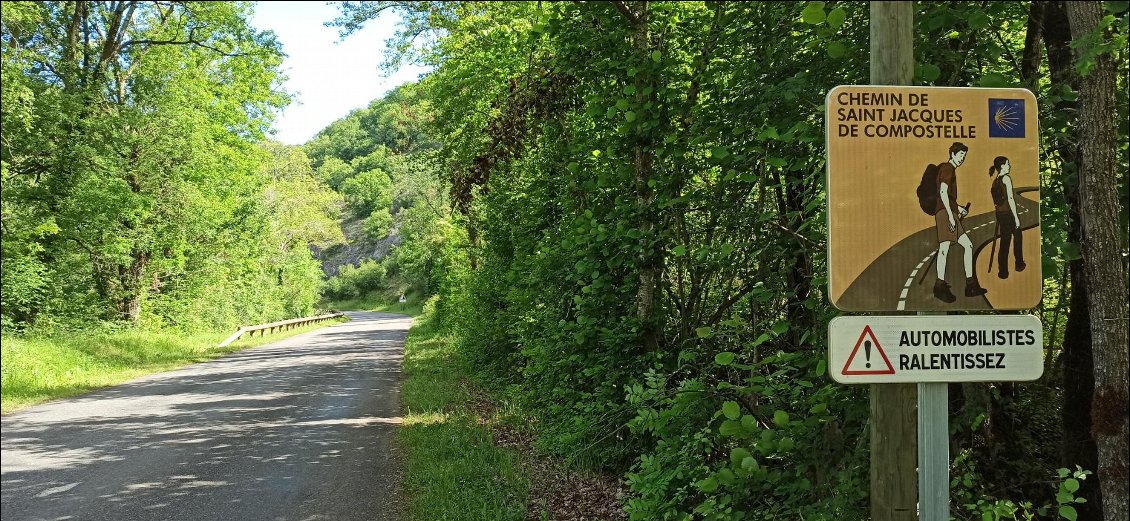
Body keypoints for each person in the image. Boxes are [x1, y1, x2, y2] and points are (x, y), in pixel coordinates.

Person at [933, 142, 987, 303]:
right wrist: (950, 215)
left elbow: (948, 196)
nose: (962, 159)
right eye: (961, 155)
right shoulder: (947, 168)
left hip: (950, 211)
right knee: (944, 247)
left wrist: (958, 208)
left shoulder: (950, 170)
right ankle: (939, 286)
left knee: (968, 246)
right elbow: (942, 192)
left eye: (964, 156)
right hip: (944, 212)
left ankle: (970, 285)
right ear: (953, 154)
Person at [989, 156, 1026, 279]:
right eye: (1007, 164)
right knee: (1018, 236)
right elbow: (1010, 199)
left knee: (1005, 241)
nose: (1009, 166)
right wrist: (1016, 217)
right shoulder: (1006, 179)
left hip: (1000, 214)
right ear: (1002, 166)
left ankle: (1003, 271)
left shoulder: (995, 181)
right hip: (1008, 213)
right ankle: (1019, 264)